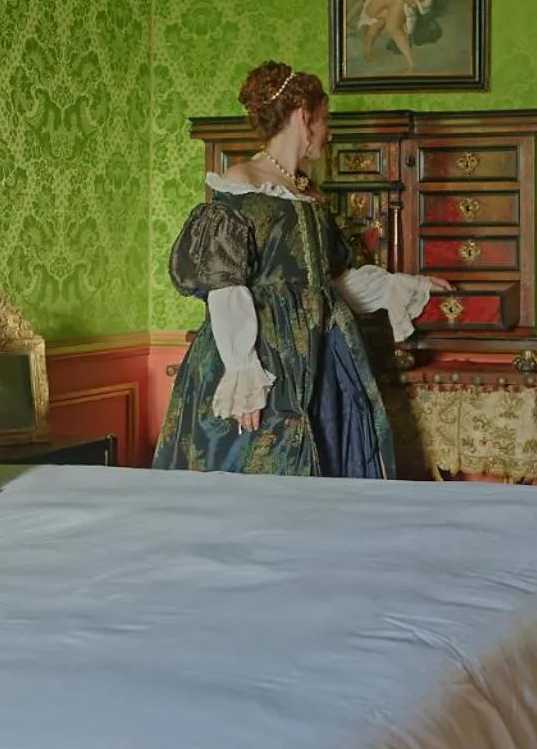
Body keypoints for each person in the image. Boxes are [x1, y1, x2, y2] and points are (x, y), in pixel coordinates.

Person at [152, 62, 453, 477]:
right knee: (263, 469)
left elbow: (332, 282)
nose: (328, 133)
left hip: (321, 353)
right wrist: (243, 374)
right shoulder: (241, 181)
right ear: (303, 117)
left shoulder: (309, 193)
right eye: (324, 120)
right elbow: (225, 286)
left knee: (327, 464)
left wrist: (404, 286)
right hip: (263, 355)